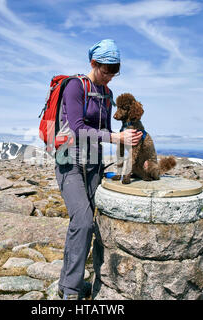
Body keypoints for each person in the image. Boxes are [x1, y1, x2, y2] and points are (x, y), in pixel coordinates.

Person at [55, 39, 143, 299]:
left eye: (114, 74)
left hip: (94, 164)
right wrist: (116, 139)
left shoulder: (107, 94)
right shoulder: (75, 87)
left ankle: (79, 277)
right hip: (68, 162)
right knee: (82, 221)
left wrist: (126, 150)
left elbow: (106, 132)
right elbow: (78, 129)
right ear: (93, 64)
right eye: (106, 72)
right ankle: (70, 289)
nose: (109, 79)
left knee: (96, 221)